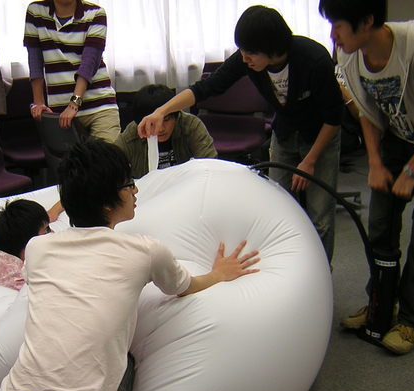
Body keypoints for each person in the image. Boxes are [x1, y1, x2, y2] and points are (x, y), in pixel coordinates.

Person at [0, 140, 259, 391]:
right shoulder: (145, 251)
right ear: (107, 203)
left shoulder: (37, 249)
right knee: (124, 363)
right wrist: (219, 274)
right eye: (128, 184)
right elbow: (183, 287)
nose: (136, 191)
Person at [138, 5, 344, 262]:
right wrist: (162, 111)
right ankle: (286, 266)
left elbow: (334, 118)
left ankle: (321, 272)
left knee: (320, 215)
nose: (245, 59)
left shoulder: (314, 59)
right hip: (285, 133)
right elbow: (206, 88)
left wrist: (310, 160)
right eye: (242, 51)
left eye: (251, 53)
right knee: (279, 207)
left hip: (320, 136)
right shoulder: (247, 59)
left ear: (271, 47)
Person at [319, 0, 414, 354]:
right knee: (380, 227)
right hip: (397, 141)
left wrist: (412, 169)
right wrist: (375, 163)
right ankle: (381, 305)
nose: (333, 35)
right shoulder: (349, 56)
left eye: (338, 25)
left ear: (367, 21)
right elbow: (368, 115)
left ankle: (412, 320)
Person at [24, 0, 121, 142]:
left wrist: (74, 104)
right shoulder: (35, 11)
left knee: (109, 154)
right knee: (65, 156)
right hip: (60, 112)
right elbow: (35, 61)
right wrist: (39, 103)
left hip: (99, 106)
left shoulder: (95, 13)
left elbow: (89, 64)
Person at [114, 84, 218, 178]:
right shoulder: (131, 136)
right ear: (141, 123)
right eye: (152, 124)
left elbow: (210, 165)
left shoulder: (190, 126)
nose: (161, 129)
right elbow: (111, 167)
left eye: (166, 120)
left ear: (176, 116)